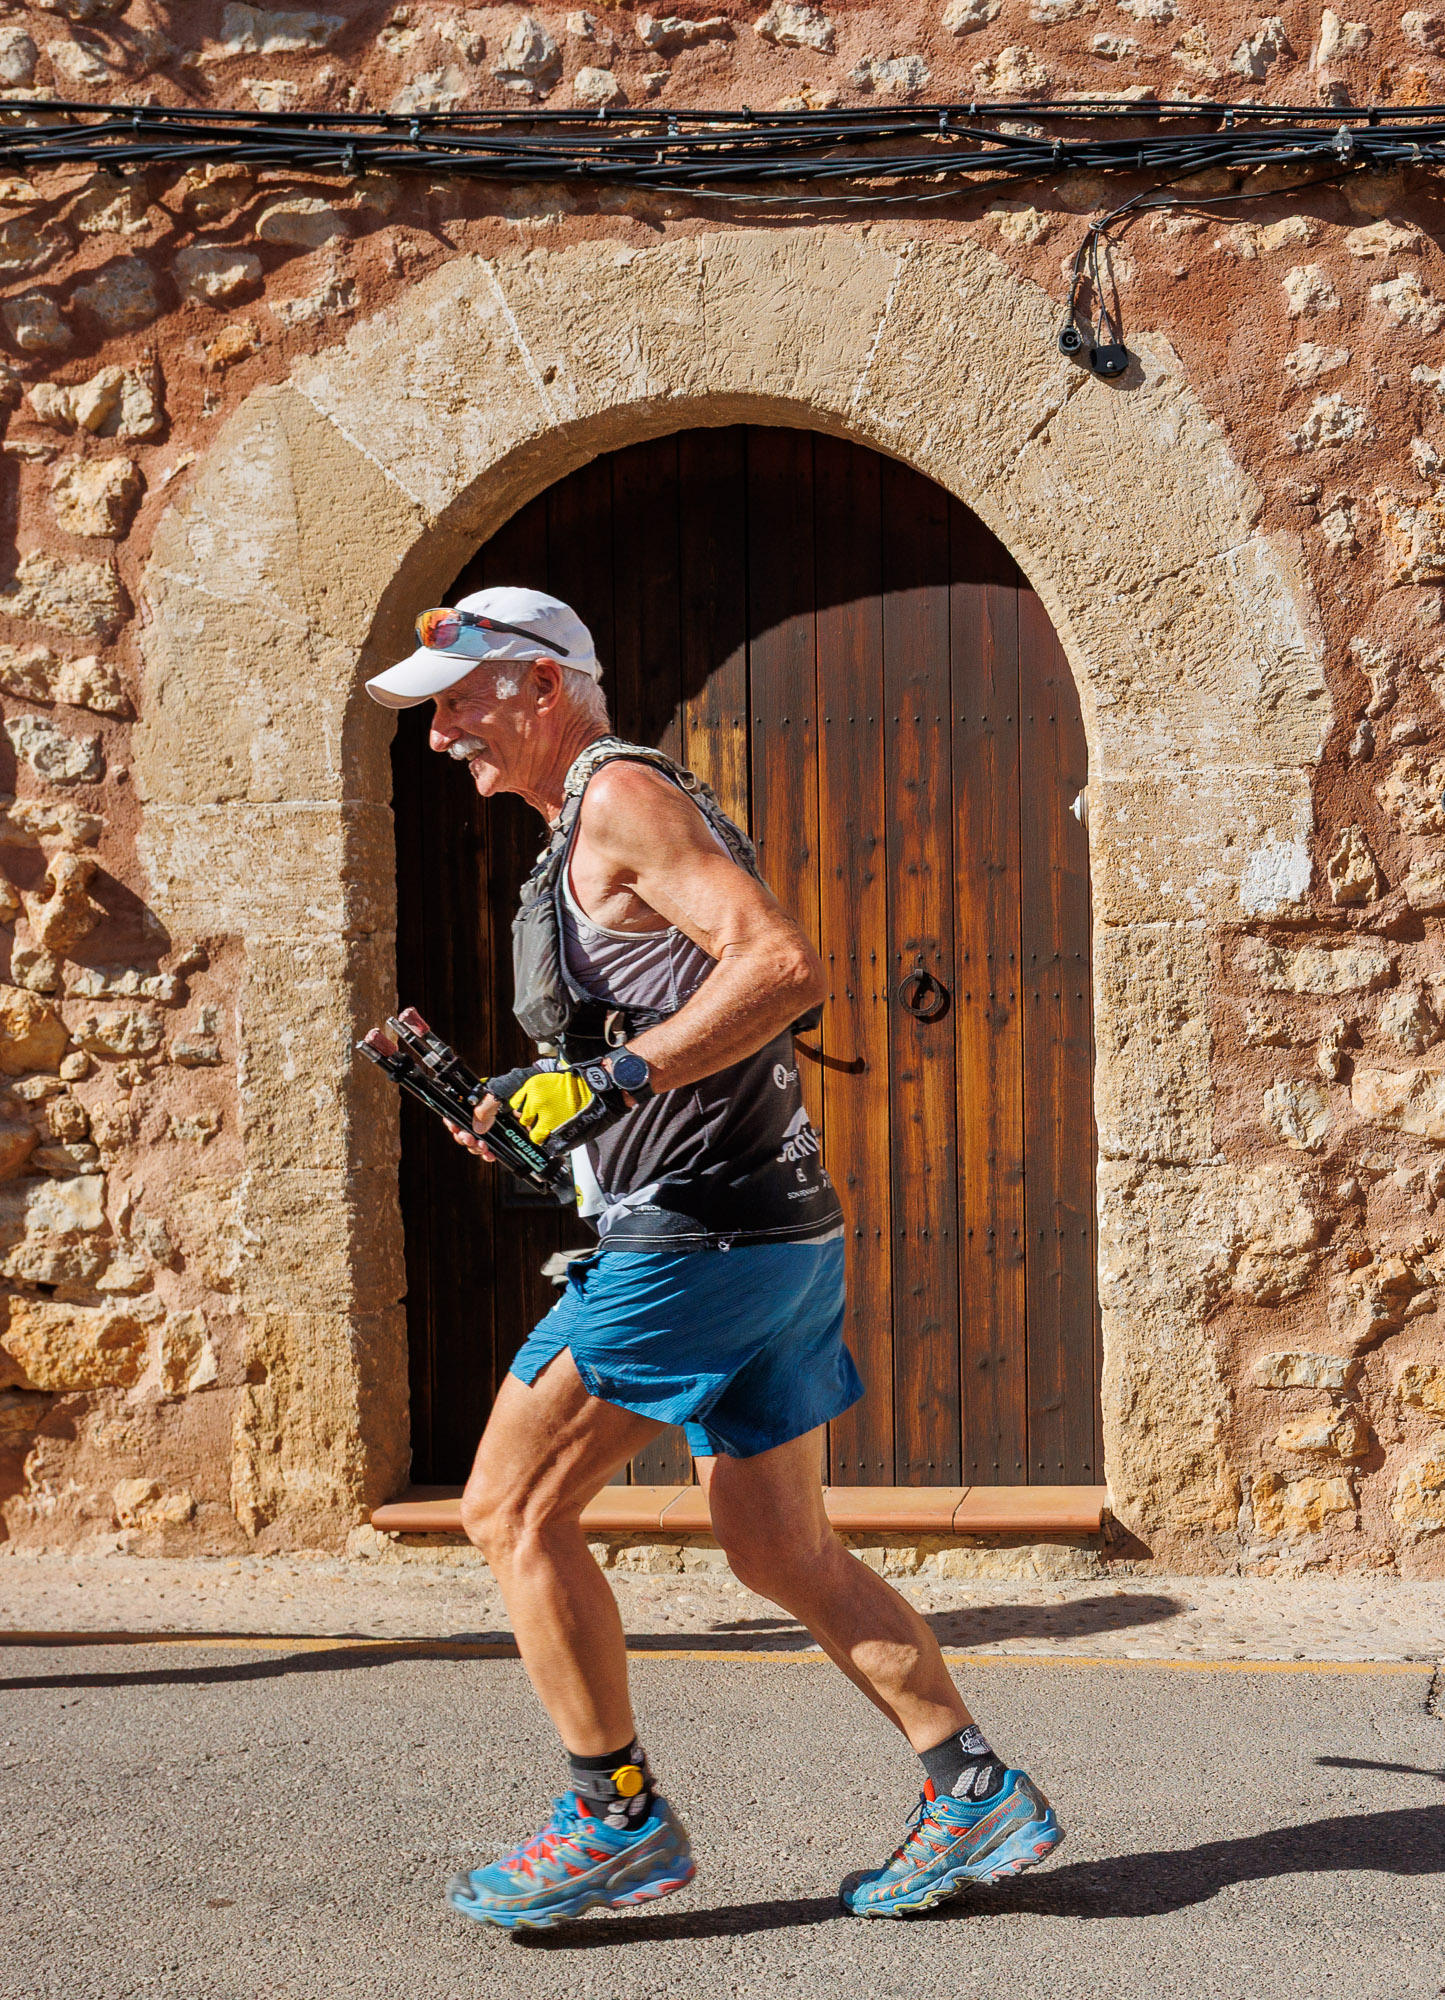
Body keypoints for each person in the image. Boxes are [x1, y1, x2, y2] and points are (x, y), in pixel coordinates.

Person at [365, 587, 1062, 1928]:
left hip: (697, 1244)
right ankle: (972, 1788)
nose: (442, 734)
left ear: (544, 685)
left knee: (509, 1509)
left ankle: (614, 1816)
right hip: (773, 1236)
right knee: (778, 1545)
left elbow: (782, 967)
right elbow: (655, 1024)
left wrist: (611, 1083)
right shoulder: (591, 820)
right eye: (432, 713)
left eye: (459, 702)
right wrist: (543, 1108)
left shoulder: (619, 796)